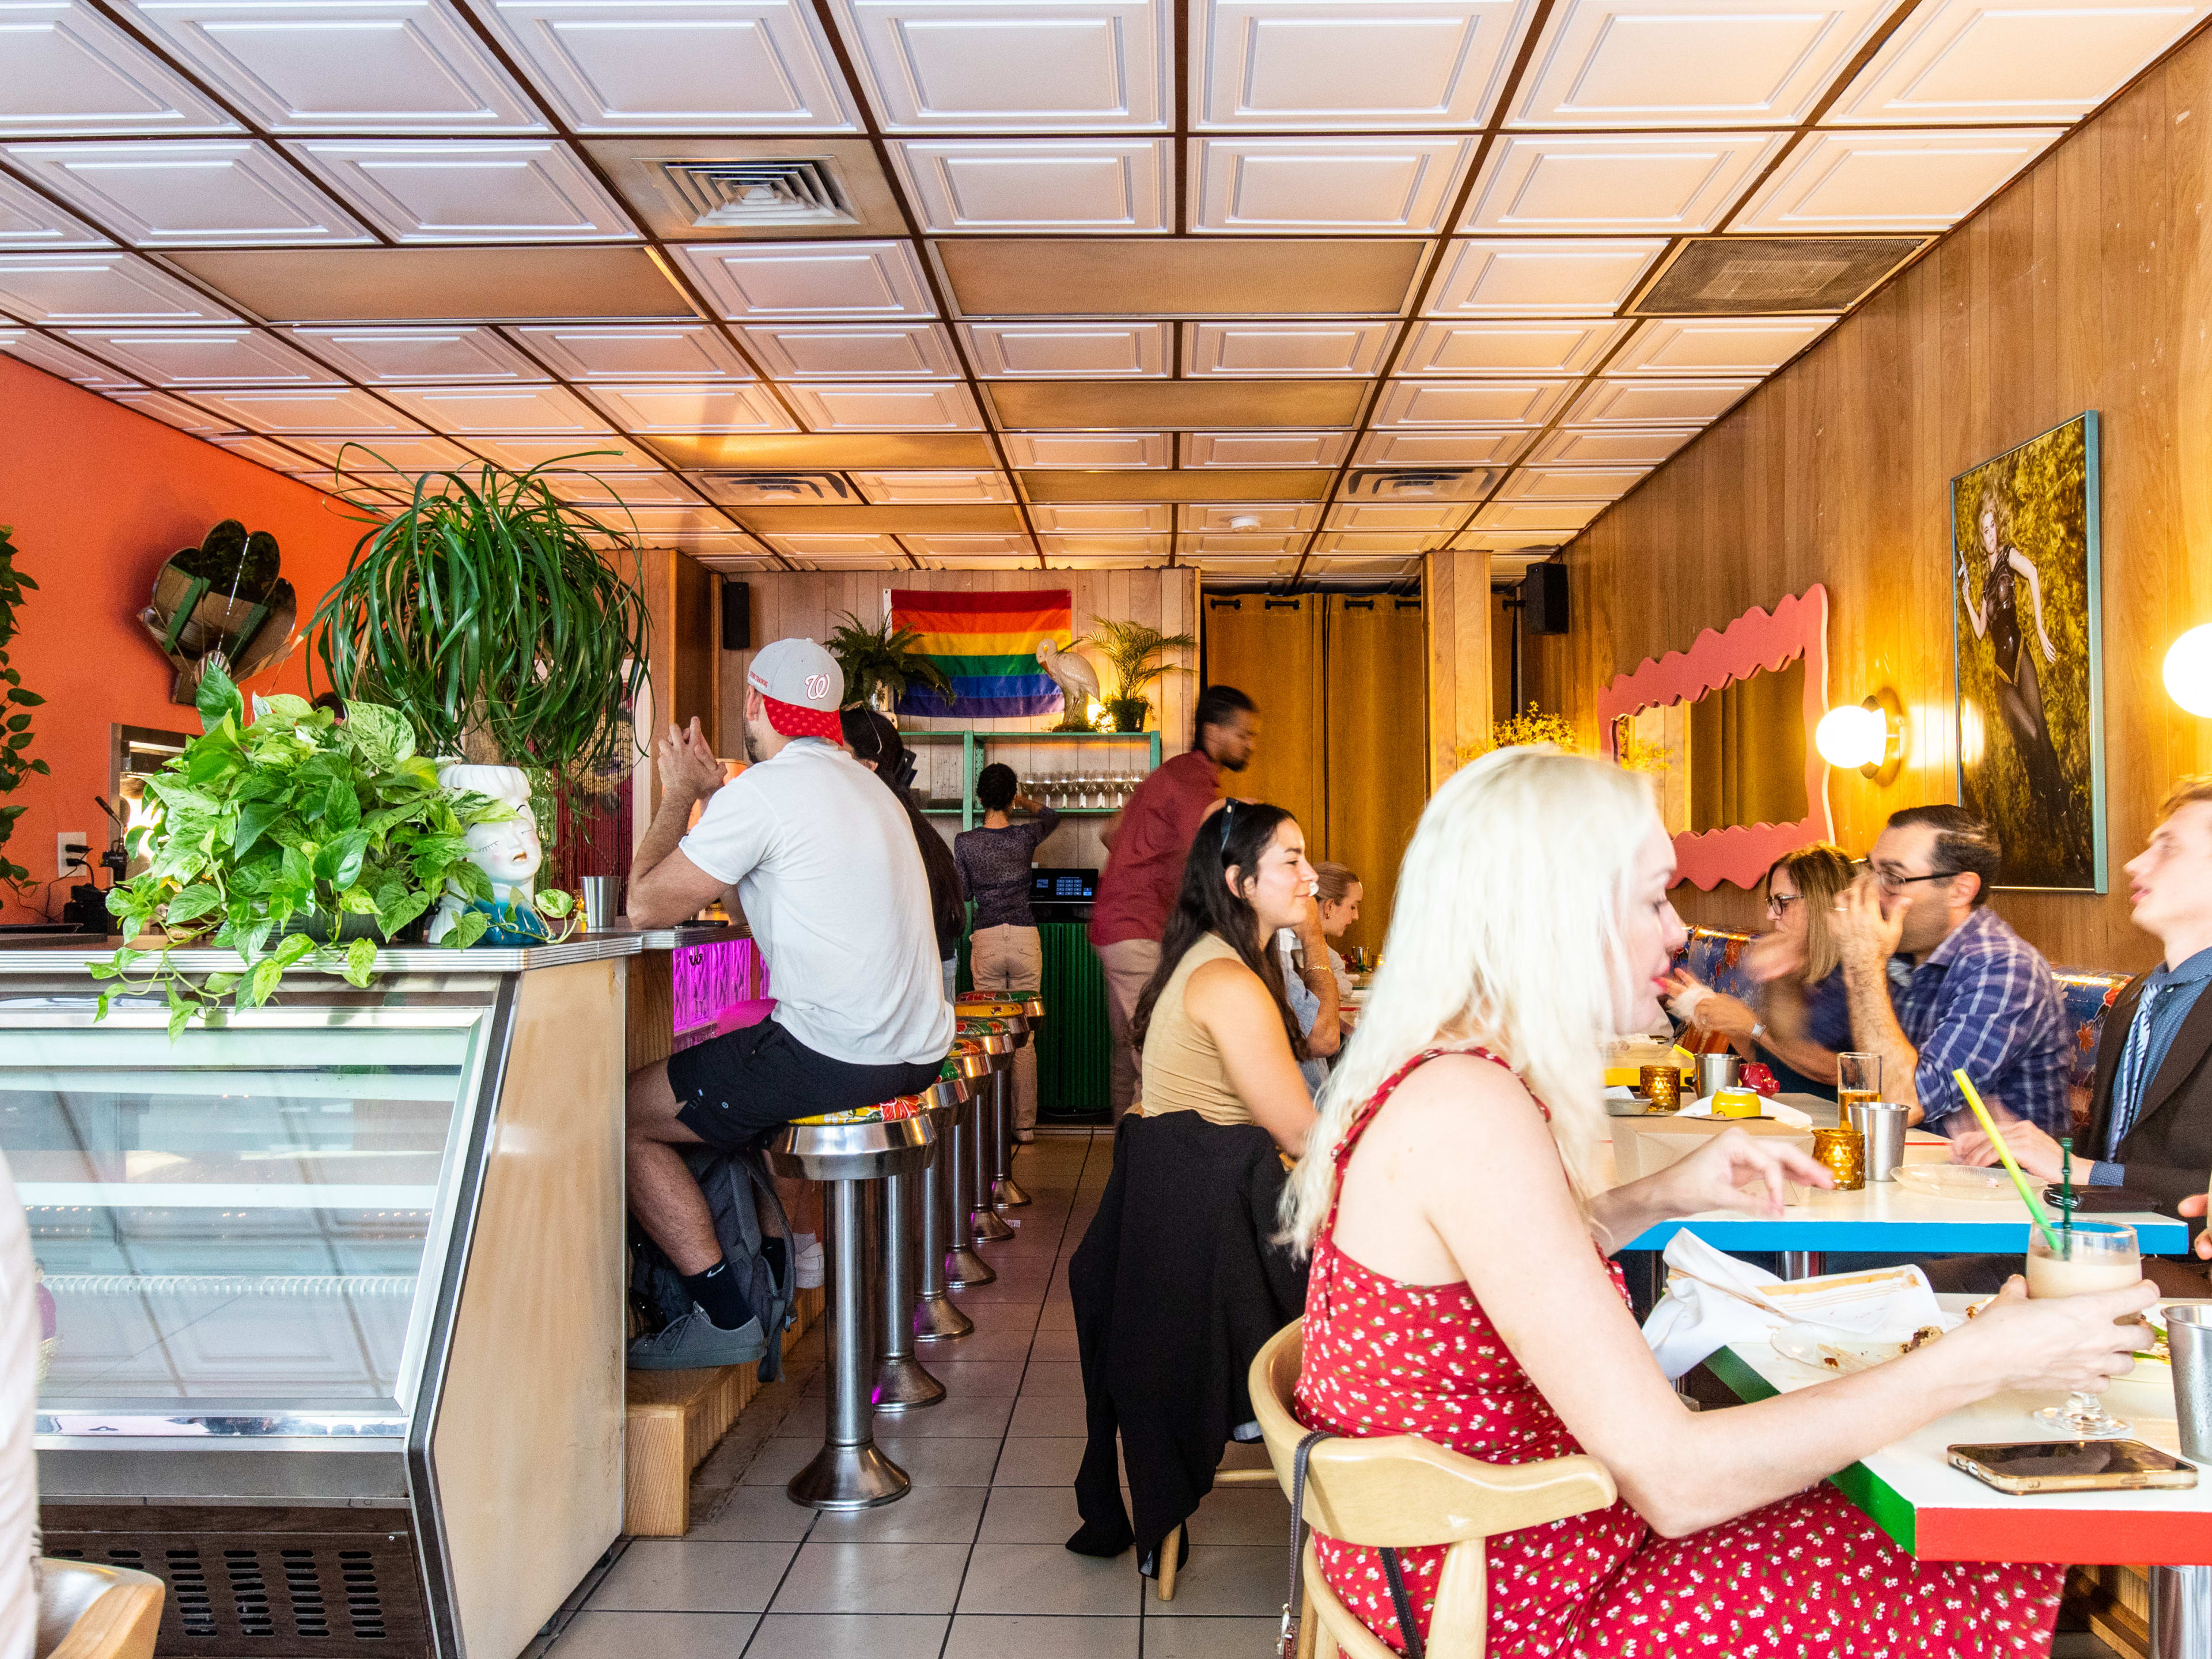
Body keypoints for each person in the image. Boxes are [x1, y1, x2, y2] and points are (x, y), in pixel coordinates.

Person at [1283, 746, 2148, 1656]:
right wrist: (1977, 1358)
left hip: (1496, 1554)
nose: (1675, 933)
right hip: (1530, 1599)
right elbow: (1678, 1481)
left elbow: (1499, 1267)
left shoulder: (1451, 1074)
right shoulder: (1471, 1107)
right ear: (1556, 909)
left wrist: (1663, 1191)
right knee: (1981, 1557)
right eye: (1654, 898)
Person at [622, 639, 952, 1370]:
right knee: (718, 1095)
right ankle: (772, 1275)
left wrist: (680, 791)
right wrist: (716, 799)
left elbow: (642, 906)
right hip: (915, 1052)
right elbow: (745, 908)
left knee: (624, 1120)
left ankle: (727, 1314)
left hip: (835, 1054)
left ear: (752, 702)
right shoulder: (870, 790)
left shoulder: (767, 790)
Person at [1937, 776, 2212, 1294]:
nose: (2134, 864)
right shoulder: (2138, 997)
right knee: (1897, 1283)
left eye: (2168, 847)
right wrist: (2019, 1145)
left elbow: (2192, 1189)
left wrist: (2076, 1169)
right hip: (2107, 1245)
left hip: (2188, 1272)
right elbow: (2115, 1151)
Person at [1832, 804, 2071, 1136]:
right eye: (1869, 870)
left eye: (1892, 878)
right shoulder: (1899, 951)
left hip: (2000, 1185)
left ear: (1961, 891)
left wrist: (1863, 965)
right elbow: (1823, 1058)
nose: (1871, 892)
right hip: (1914, 1173)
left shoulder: (2005, 968)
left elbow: (1897, 1104)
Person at [1090, 685, 1258, 1119]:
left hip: (1119, 924)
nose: (1250, 744)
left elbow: (1110, 832)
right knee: (1155, 1056)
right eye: (1244, 734)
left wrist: (1142, 864)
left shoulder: (1173, 773)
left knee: (1129, 1052)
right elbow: (1206, 861)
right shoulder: (1193, 781)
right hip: (1139, 926)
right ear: (1212, 730)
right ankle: (1148, 1175)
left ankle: (1125, 1166)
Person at [1128, 801, 1319, 1156]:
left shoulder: (1212, 953)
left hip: (1199, 1178)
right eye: (1293, 861)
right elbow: (1301, 1136)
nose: (1311, 875)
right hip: (1208, 1196)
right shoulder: (1229, 983)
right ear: (1240, 883)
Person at [1663, 843, 1855, 1099]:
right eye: (1770, 902)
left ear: (1822, 902)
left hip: (1829, 1123)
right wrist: (1713, 1010)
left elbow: (1847, 1073)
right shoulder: (1788, 967)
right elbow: (1767, 1059)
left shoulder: (1854, 974)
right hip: (1784, 1111)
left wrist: (1753, 1026)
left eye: (1781, 902)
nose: (1771, 915)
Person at [955, 763, 1060, 1141]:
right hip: (1023, 938)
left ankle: (994, 1125)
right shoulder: (1025, 837)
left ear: (981, 797)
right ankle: (1024, 1126)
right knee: (1024, 1038)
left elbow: (965, 894)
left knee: (992, 1034)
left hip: (986, 938)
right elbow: (1052, 816)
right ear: (1010, 797)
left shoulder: (966, 842)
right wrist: (1019, 799)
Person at [842, 706, 964, 998]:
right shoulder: (908, 821)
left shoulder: (877, 825)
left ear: (867, 766)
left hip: (905, 984)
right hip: (928, 977)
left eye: (835, 753)